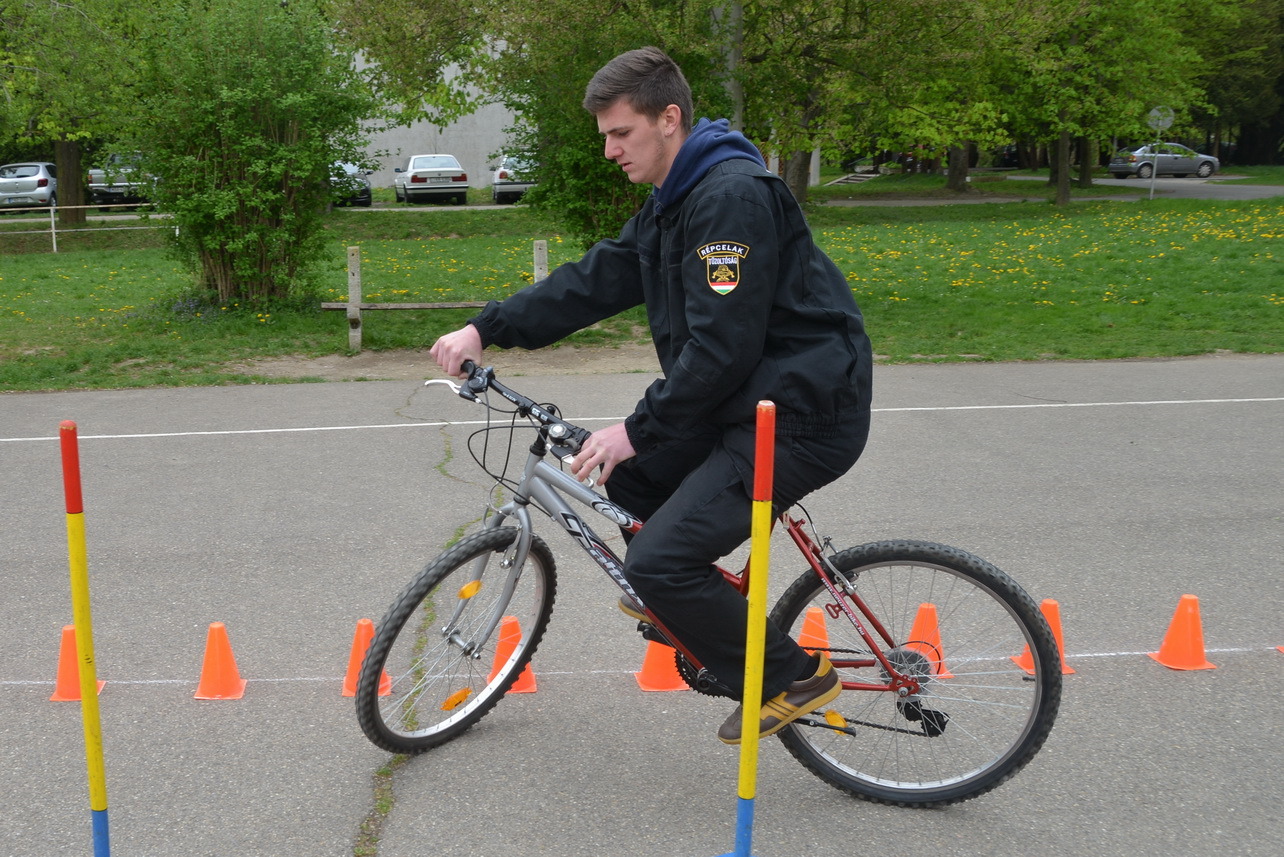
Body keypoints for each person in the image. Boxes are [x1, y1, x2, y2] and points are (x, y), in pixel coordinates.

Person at [430, 46, 873, 744]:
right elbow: (598, 277)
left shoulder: (727, 200)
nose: (610, 150)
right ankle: (692, 602)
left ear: (669, 119)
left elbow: (723, 349)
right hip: (744, 403)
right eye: (605, 135)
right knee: (627, 478)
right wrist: (487, 327)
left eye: (621, 133)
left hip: (799, 417)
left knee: (657, 561)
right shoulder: (676, 198)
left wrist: (637, 428)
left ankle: (791, 676)